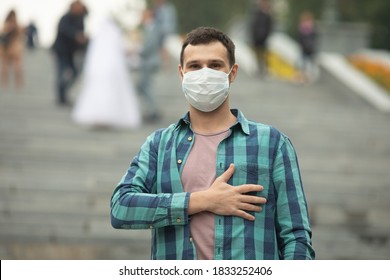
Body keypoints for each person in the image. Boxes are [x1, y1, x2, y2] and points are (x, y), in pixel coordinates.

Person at [110, 27, 315, 260]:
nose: (204, 74)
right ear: (182, 73)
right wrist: (203, 200)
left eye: (215, 65)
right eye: (195, 66)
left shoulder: (272, 144)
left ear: (232, 73)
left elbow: (296, 236)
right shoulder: (159, 144)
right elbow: (121, 208)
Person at [72, 16, 141, 129]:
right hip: (112, 71)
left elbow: (92, 58)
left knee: (98, 93)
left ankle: (97, 116)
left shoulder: (98, 38)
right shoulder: (115, 35)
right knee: (111, 93)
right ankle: (109, 116)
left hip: (99, 72)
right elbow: (120, 53)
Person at [51, 0, 88, 106]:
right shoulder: (65, 18)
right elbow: (64, 30)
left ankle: (64, 93)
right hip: (61, 50)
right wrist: (76, 35)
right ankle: (61, 97)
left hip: (71, 52)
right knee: (62, 72)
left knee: (74, 72)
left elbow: (87, 14)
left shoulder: (80, 19)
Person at [136, 8, 162, 123]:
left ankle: (153, 111)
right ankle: (152, 110)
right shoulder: (149, 28)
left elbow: (149, 46)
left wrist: (137, 51)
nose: (141, 16)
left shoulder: (152, 28)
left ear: (149, 15)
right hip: (147, 61)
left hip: (149, 62)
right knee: (143, 86)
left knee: (145, 86)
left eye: (144, 14)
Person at [0, 9, 25, 89]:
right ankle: (17, 83)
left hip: (7, 48)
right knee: (14, 66)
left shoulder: (6, 24)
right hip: (13, 48)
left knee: (7, 66)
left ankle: (6, 83)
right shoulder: (16, 24)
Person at [249, 0, 273, 77]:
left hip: (264, 38)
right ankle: (258, 69)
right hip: (256, 37)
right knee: (257, 54)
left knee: (264, 55)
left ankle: (265, 70)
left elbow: (270, 27)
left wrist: (267, 36)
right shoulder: (257, 13)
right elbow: (253, 25)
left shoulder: (268, 15)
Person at [297, 11, 319, 84]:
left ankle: (306, 77)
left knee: (307, 65)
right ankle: (304, 77)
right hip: (305, 49)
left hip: (309, 49)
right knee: (304, 64)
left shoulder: (311, 29)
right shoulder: (304, 29)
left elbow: (314, 39)